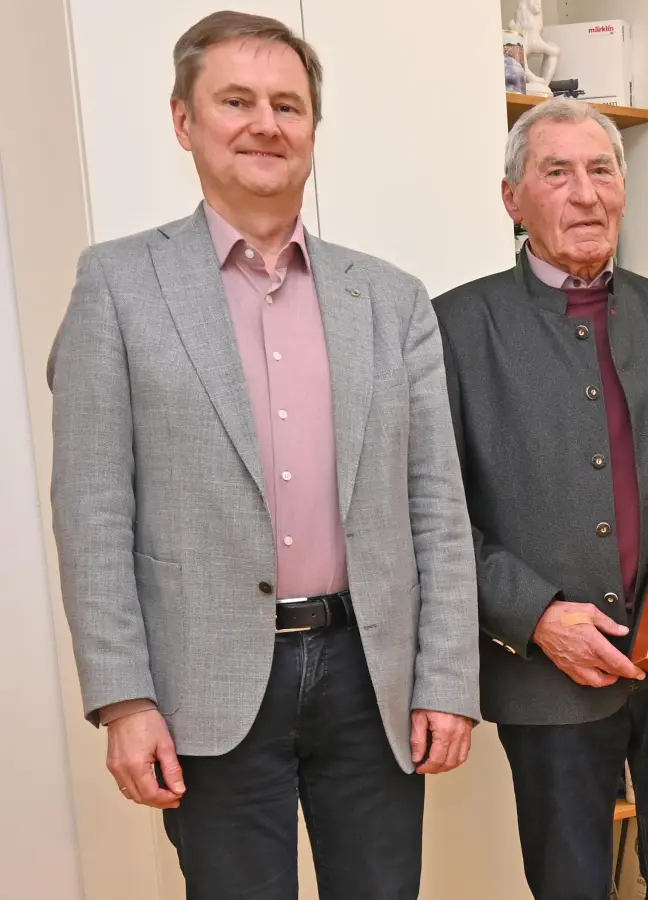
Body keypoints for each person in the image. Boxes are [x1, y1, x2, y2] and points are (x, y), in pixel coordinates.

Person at [47, 11, 479, 899]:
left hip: (372, 677)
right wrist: (124, 701)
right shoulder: (117, 285)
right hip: (205, 683)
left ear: (314, 128)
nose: (265, 123)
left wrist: (446, 677)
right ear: (183, 121)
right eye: (235, 100)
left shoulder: (390, 300)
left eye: (287, 104)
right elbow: (93, 511)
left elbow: (436, 505)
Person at [432, 98, 648, 900]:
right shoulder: (455, 327)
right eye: (556, 173)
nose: (585, 193)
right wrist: (536, 616)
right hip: (548, 678)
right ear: (512, 198)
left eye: (602, 170)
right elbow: (437, 521)